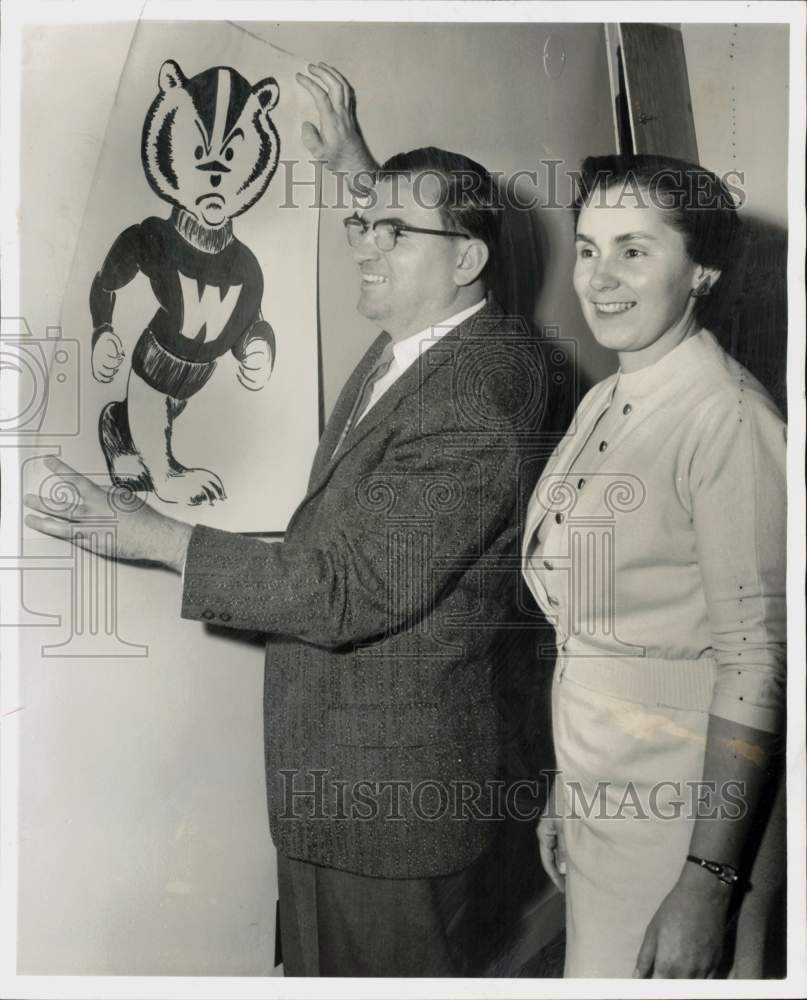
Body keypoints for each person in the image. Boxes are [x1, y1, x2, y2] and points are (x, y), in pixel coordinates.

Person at [25, 65, 551, 976]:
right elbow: (422, 226)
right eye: (361, 225)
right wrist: (364, 172)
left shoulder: (480, 390)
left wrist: (142, 531)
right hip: (340, 781)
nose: (364, 246)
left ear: (466, 260)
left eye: (390, 232)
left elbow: (349, 584)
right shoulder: (435, 332)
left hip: (392, 809)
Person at [524, 153, 786, 978]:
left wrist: (708, 884)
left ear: (700, 269)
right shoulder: (610, 397)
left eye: (634, 250)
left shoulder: (729, 421)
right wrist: (566, 785)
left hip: (686, 817)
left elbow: (755, 665)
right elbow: (591, 627)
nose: (599, 277)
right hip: (603, 782)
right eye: (589, 247)